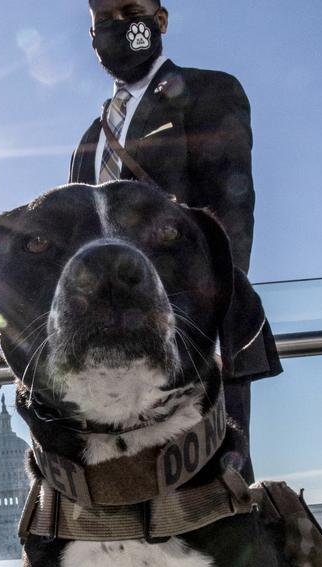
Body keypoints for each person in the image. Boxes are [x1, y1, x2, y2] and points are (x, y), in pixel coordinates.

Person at [69, 0, 282, 482]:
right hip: (109, 350)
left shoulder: (209, 92)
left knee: (219, 496)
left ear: (160, 20)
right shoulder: (90, 138)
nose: (119, 27)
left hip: (193, 336)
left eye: (132, 11)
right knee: (132, 504)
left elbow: (230, 211)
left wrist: (206, 321)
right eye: (105, 20)